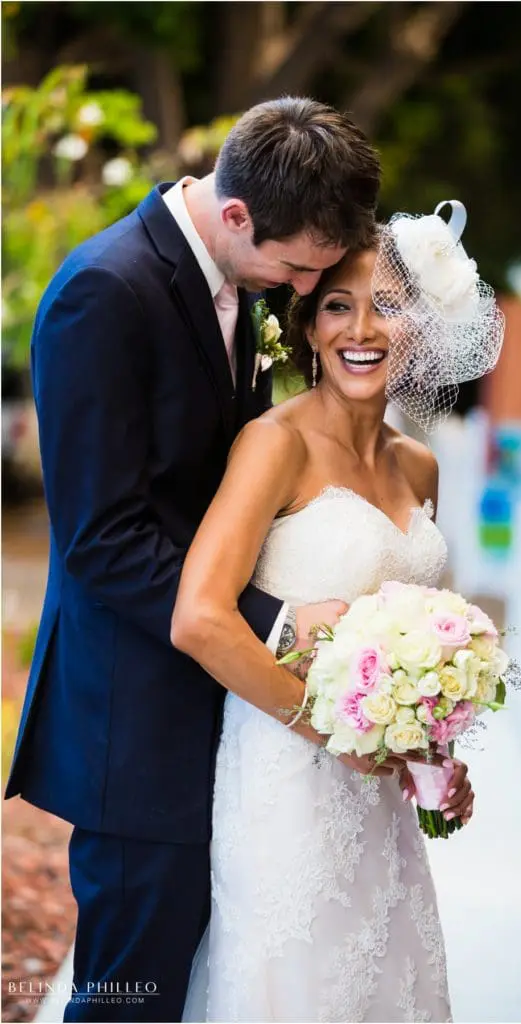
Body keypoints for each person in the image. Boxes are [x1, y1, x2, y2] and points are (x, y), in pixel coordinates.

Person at [4, 97, 411, 1023]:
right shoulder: (103, 292)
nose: (305, 292)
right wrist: (272, 621)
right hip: (135, 721)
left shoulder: (250, 280)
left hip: (225, 717)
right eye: (300, 268)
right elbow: (102, 538)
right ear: (236, 216)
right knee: (128, 997)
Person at [174, 234, 477, 1023]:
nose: (360, 329)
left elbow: (408, 640)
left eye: (386, 305)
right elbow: (200, 620)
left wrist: (430, 751)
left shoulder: (419, 467)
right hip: (282, 781)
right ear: (307, 328)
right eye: (337, 307)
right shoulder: (274, 444)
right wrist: (325, 729)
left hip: (380, 804)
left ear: (421, 325)